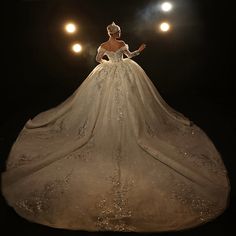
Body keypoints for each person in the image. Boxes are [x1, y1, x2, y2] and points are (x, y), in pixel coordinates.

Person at [1, 22, 230, 232]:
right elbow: (129, 55)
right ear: (117, 33)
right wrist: (139, 50)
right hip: (125, 73)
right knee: (131, 103)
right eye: (117, 33)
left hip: (108, 73)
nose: (117, 35)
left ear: (107, 34)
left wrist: (107, 65)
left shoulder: (103, 45)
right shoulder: (122, 44)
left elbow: (97, 59)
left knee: (103, 104)